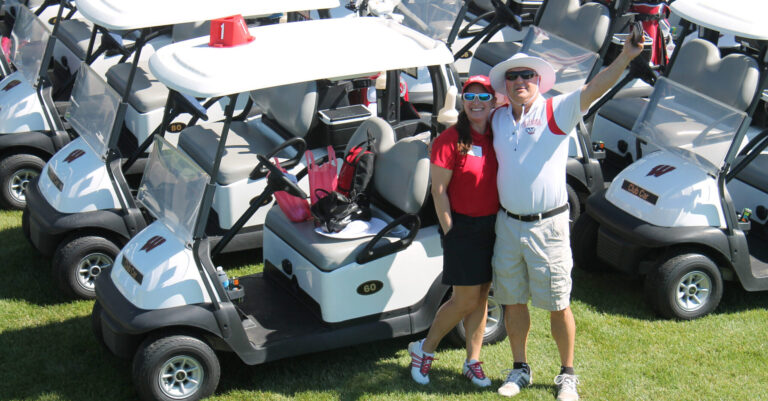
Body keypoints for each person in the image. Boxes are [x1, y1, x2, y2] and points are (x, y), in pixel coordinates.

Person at [489, 39, 643, 400]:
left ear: (538, 81)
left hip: (548, 226)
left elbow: (594, 88)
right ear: (506, 84)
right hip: (508, 225)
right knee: (512, 301)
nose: (520, 81)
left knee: (558, 303)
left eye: (527, 75)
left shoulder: (555, 111)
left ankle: (567, 374)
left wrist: (626, 56)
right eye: (513, 76)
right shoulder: (497, 117)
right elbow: (469, 112)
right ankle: (519, 368)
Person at [407, 75, 499, 387]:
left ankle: (472, 360)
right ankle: (424, 349)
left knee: (482, 295)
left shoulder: (497, 135)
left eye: (483, 96)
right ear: (463, 102)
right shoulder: (449, 140)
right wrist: (451, 231)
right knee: (463, 300)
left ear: (493, 101)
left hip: (494, 226)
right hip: (462, 227)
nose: (476, 102)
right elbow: (439, 190)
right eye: (469, 96)